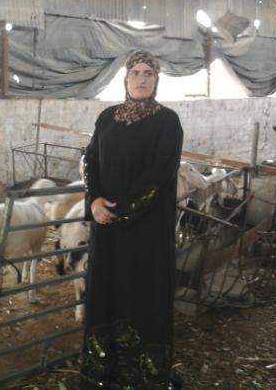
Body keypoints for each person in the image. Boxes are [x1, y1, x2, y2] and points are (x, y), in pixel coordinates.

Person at [80, 50, 183, 389]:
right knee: (105, 294)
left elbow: (160, 174)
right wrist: (94, 201)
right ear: (125, 79)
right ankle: (103, 374)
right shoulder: (106, 118)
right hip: (107, 231)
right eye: (135, 72)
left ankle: (144, 378)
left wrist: (119, 211)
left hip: (146, 233)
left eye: (148, 73)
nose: (141, 79)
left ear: (156, 80)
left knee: (143, 297)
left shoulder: (168, 122)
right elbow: (90, 161)